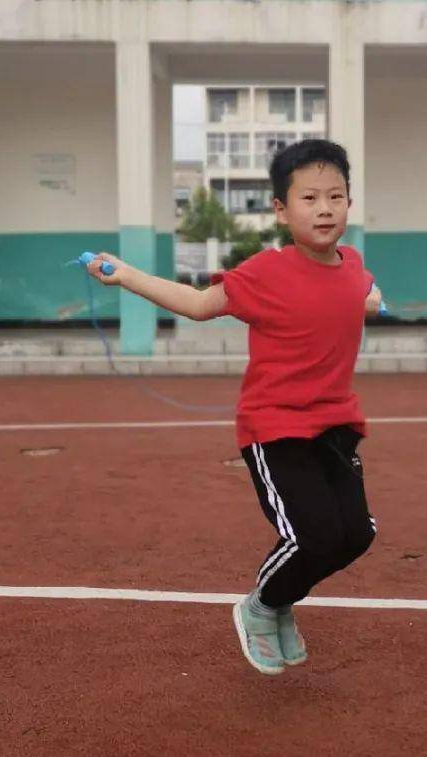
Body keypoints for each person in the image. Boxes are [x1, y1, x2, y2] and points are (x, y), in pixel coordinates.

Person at [87, 139, 383, 675]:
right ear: (280, 209)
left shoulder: (354, 265)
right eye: (310, 197)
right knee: (312, 535)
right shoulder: (265, 273)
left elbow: (358, 289)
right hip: (277, 428)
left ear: (349, 204)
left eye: (336, 196)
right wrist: (125, 274)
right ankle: (261, 607)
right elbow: (200, 305)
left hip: (337, 426)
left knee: (357, 534)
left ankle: (281, 599)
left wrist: (372, 297)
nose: (324, 208)